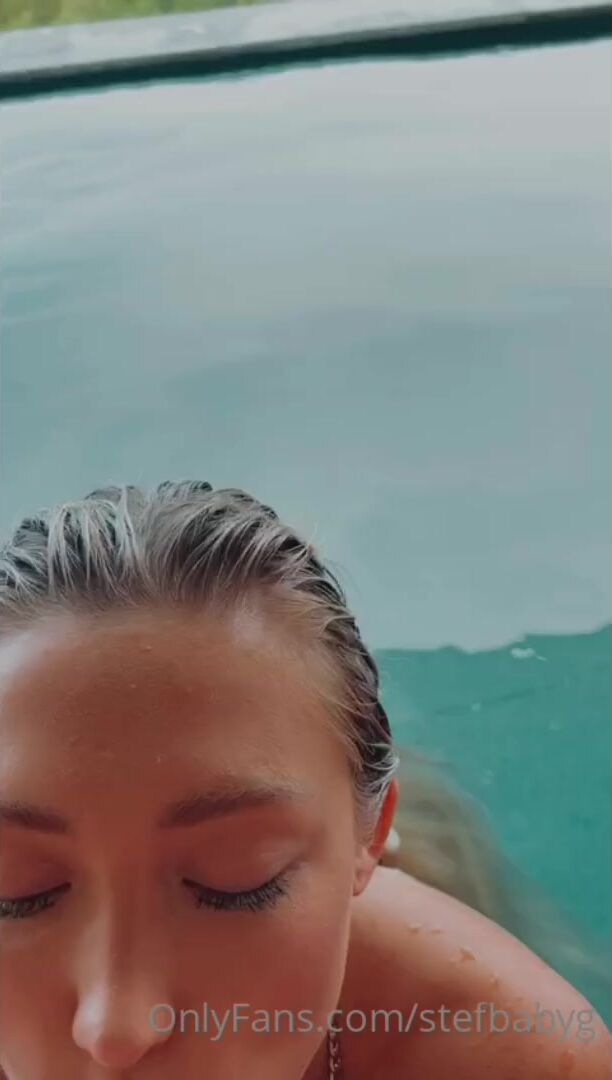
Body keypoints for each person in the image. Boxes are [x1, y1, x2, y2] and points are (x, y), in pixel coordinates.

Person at [0, 479, 609, 1080]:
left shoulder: (507, 1054)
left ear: (371, 835)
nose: (115, 1030)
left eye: (237, 881)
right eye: (16, 890)